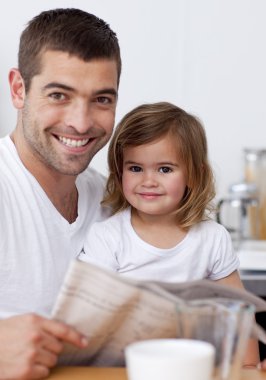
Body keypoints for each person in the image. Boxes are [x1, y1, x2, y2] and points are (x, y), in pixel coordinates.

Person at [79, 101, 260, 366]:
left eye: (165, 169)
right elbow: (89, 313)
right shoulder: (107, 237)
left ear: (193, 176)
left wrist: (249, 368)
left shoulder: (212, 238)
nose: (148, 181)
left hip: (191, 365)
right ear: (120, 172)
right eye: (135, 168)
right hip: (124, 366)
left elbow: (238, 311)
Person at [0, 7, 121, 379]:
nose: (81, 123)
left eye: (102, 100)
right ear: (19, 89)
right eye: (59, 95)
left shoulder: (112, 201)